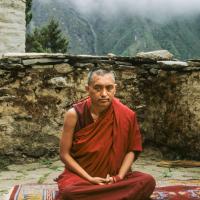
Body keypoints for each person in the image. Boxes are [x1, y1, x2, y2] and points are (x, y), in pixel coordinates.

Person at [55, 68, 156, 200]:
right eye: (98, 88)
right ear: (87, 88)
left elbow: (132, 150)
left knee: (147, 181)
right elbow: (64, 154)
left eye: (109, 88)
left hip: (115, 178)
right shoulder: (74, 115)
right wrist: (90, 179)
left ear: (115, 89)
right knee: (69, 191)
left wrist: (118, 177)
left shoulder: (127, 115)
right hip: (82, 177)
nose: (104, 94)